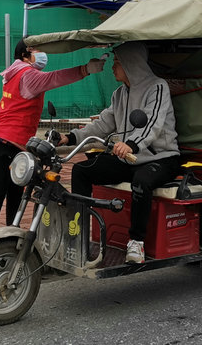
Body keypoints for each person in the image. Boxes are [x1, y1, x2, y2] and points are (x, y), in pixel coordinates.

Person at [61, 42, 179, 264]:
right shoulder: (119, 94)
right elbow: (102, 124)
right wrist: (70, 137)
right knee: (81, 170)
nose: (112, 67)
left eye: (117, 62)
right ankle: (79, 234)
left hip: (161, 157)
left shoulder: (157, 87)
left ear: (131, 64)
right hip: (129, 157)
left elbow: (152, 123)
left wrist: (131, 144)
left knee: (141, 180)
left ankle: (137, 243)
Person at [0, 39, 105, 242]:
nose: (43, 55)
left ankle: (3, 238)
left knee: (8, 192)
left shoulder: (13, 73)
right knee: (5, 193)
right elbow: (55, 78)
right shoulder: (28, 74)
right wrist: (85, 69)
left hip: (1, 140)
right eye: (37, 50)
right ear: (25, 54)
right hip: (9, 143)